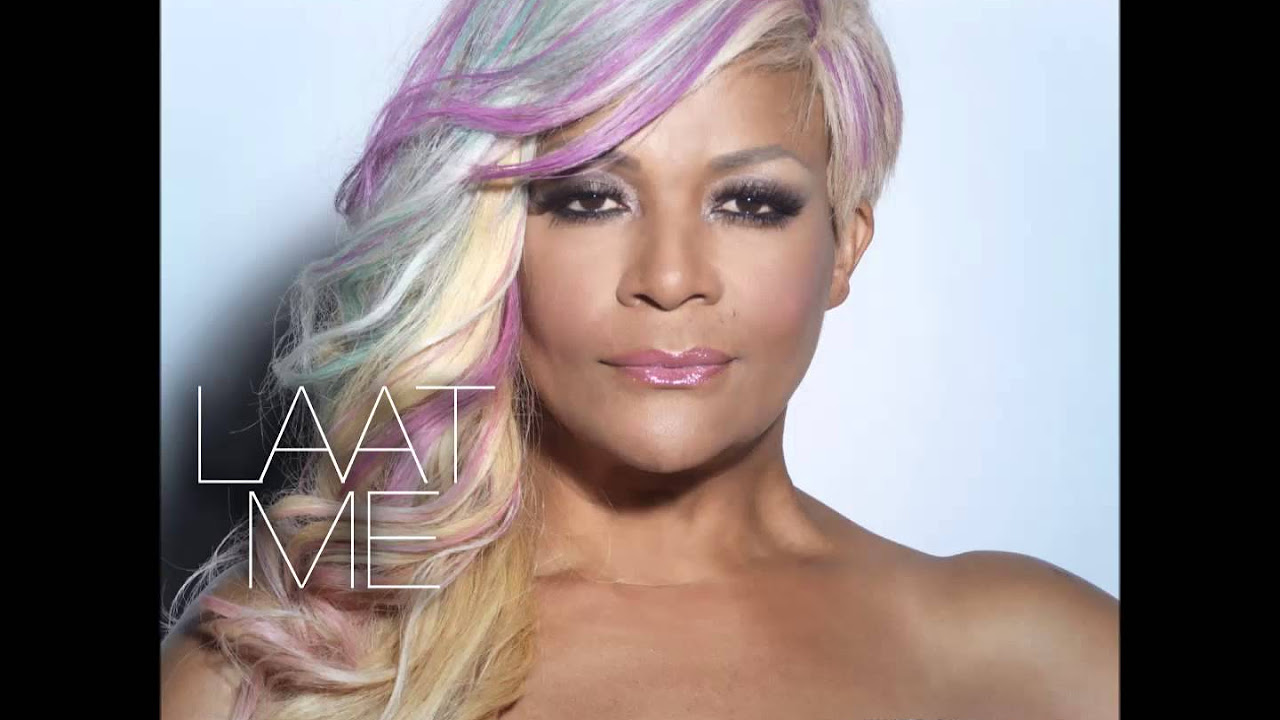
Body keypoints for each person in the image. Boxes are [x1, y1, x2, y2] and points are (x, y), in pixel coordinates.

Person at [161, 0, 1119, 718]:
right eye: (590, 199)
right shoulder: (285, 664)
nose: (668, 279)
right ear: (494, 242)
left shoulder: (1040, 666)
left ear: (844, 247)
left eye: (749, 203)